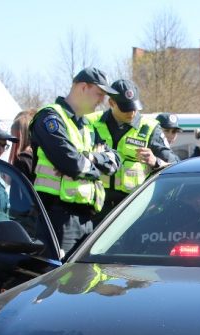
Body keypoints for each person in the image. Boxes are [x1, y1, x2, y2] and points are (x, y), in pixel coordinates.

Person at [30, 67, 119, 254]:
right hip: (58, 216)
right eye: (99, 94)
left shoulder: (87, 126)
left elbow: (114, 161)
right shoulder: (50, 117)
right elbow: (71, 163)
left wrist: (89, 158)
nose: (102, 101)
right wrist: (94, 168)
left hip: (87, 218)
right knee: (60, 279)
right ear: (83, 87)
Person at [89, 79, 175, 221]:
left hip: (132, 208)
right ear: (111, 103)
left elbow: (174, 164)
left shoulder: (150, 128)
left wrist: (155, 161)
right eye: (126, 108)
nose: (132, 113)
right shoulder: (92, 122)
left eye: (135, 107)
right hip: (96, 207)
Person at [9, 109, 36, 180]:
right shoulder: (38, 156)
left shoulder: (22, 161)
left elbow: (18, 191)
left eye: (13, 137)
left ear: (19, 135)